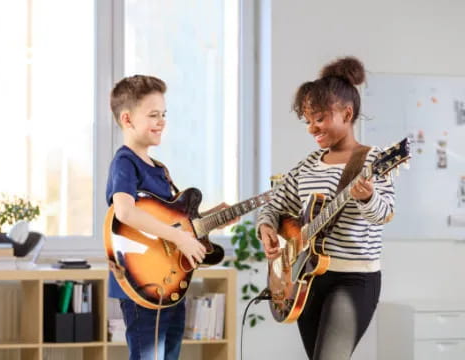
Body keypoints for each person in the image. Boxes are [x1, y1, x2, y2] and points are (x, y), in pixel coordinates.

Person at [257, 57, 395, 360]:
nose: (311, 128)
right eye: (307, 120)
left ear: (347, 113)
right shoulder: (307, 165)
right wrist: (266, 228)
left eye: (319, 118)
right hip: (307, 278)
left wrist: (366, 197)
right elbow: (275, 204)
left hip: (355, 279)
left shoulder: (373, 160)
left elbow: (384, 213)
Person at [106, 75, 234, 360]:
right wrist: (179, 237)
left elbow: (175, 221)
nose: (162, 121)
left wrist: (214, 217)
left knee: (171, 352)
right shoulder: (125, 161)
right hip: (144, 283)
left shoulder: (160, 169)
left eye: (164, 114)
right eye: (153, 115)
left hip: (172, 279)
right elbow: (125, 211)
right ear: (127, 120)